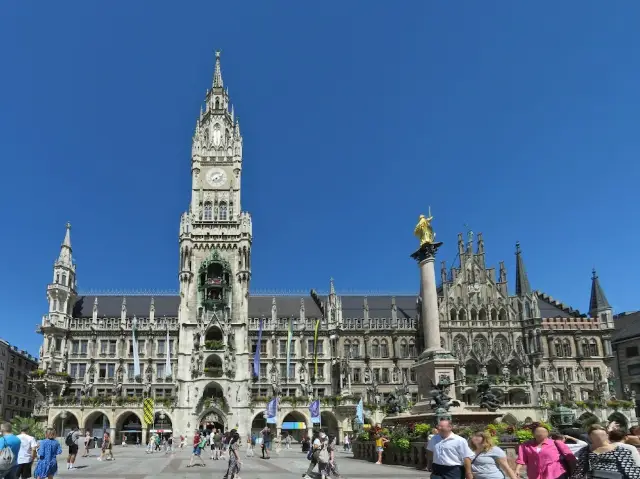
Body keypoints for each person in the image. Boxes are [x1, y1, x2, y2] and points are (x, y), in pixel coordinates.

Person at [573, 424, 640, 479]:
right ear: (590, 437)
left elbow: (632, 472)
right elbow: (579, 471)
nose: (599, 439)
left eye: (601, 436)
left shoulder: (620, 451)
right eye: (596, 437)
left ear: (607, 436)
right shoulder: (585, 451)